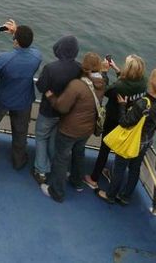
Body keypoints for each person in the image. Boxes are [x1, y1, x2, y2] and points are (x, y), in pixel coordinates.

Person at [39, 52, 106, 203]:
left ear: (85, 66)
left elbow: (62, 107)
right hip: (87, 128)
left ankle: (56, 191)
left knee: (61, 158)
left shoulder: (77, 85)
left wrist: (50, 96)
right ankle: (77, 182)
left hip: (70, 129)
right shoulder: (101, 83)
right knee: (79, 153)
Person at [97, 68, 156, 205]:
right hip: (146, 140)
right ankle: (125, 197)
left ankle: (110, 195)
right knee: (135, 169)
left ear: (151, 81)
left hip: (131, 141)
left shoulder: (142, 103)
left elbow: (124, 122)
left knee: (119, 168)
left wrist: (122, 105)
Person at [0, 19, 42, 170]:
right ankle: (18, 160)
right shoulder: (37, 57)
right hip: (23, 100)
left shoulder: (4, 58)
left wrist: (16, 34)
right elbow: (29, 48)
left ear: (15, 41)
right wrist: (17, 33)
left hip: (1, 99)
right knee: (20, 132)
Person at [85, 54, 148, 189]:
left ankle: (93, 178)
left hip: (113, 119)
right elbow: (130, 84)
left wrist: (104, 72)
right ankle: (113, 173)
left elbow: (104, 90)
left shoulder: (119, 87)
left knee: (105, 148)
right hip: (131, 120)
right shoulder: (143, 83)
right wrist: (117, 70)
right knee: (120, 152)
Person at [32, 35, 81, 185]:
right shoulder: (79, 68)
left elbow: (40, 86)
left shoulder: (50, 68)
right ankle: (57, 168)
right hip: (66, 114)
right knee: (55, 140)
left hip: (48, 110)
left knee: (41, 137)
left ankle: (41, 170)